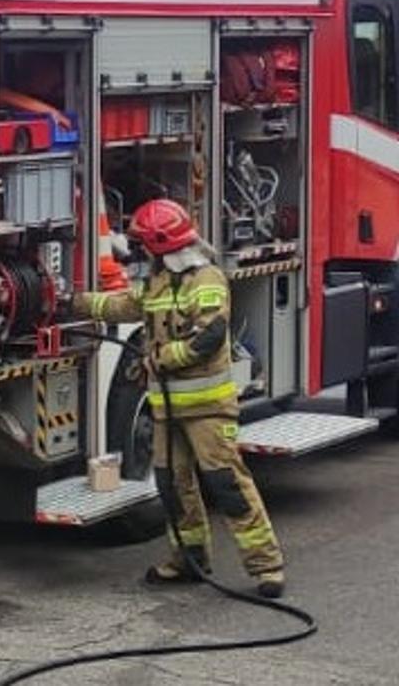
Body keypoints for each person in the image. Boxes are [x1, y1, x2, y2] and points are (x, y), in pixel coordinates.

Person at [77, 198, 286, 599]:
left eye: (143, 242)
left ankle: (267, 567)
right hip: (167, 409)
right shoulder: (159, 280)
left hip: (208, 409)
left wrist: (163, 357)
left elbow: (209, 336)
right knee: (172, 484)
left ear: (161, 242)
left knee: (227, 484)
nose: (138, 250)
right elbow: (126, 305)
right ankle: (189, 560)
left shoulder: (206, 279)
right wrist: (76, 302)